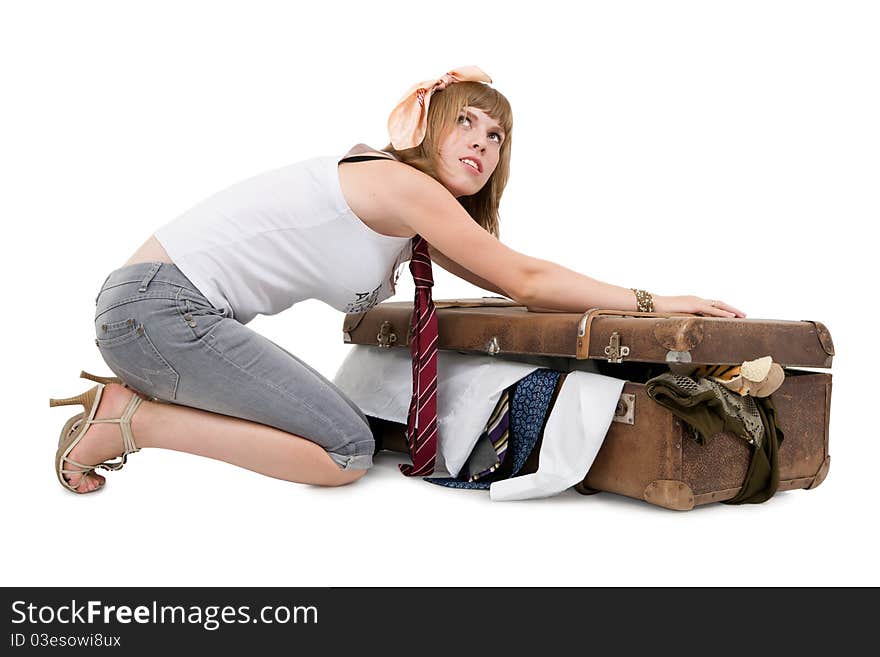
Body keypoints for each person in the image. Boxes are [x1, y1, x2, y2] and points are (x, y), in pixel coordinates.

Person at [49, 66, 745, 494]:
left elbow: (521, 285)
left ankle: (129, 409)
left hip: (159, 313)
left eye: (496, 135)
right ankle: (131, 421)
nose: (480, 142)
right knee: (346, 450)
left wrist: (646, 310)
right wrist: (654, 301)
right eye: (463, 122)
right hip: (162, 311)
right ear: (427, 127)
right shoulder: (397, 185)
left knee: (343, 444)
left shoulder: (411, 212)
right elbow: (525, 274)